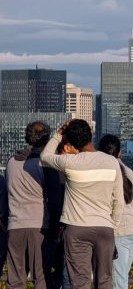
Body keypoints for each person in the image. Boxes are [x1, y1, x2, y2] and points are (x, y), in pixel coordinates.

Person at [41, 119, 124, 289]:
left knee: (79, 281)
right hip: (104, 227)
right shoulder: (112, 162)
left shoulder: (70, 162)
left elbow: (45, 156)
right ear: (91, 135)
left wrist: (58, 134)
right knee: (105, 280)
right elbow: (118, 201)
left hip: (76, 227)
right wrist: (112, 225)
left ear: (70, 141)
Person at [5, 121, 63, 289]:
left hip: (15, 225)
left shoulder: (11, 162)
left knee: (15, 279)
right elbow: (54, 199)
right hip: (40, 226)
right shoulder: (45, 163)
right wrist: (55, 228)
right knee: (41, 276)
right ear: (47, 139)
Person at [98, 135, 133, 289]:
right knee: (121, 277)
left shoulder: (105, 171)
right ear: (119, 153)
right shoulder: (128, 171)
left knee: (117, 281)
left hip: (119, 231)